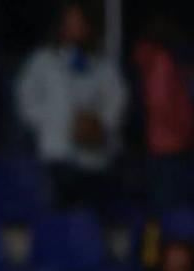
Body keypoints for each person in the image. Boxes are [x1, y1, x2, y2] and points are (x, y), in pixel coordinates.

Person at [14, 2, 127, 210]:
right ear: (62, 26)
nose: (75, 27)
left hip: (93, 158)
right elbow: (26, 100)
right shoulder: (43, 61)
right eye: (70, 22)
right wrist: (52, 123)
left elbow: (116, 101)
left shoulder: (103, 64)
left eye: (79, 22)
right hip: (56, 154)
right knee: (57, 216)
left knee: (89, 220)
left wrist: (99, 125)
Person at [131, 18, 194, 211]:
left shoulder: (154, 61)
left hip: (160, 143)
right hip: (168, 146)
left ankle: (160, 239)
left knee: (163, 207)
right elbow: (160, 103)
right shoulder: (162, 61)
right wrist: (181, 130)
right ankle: (159, 241)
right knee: (165, 209)